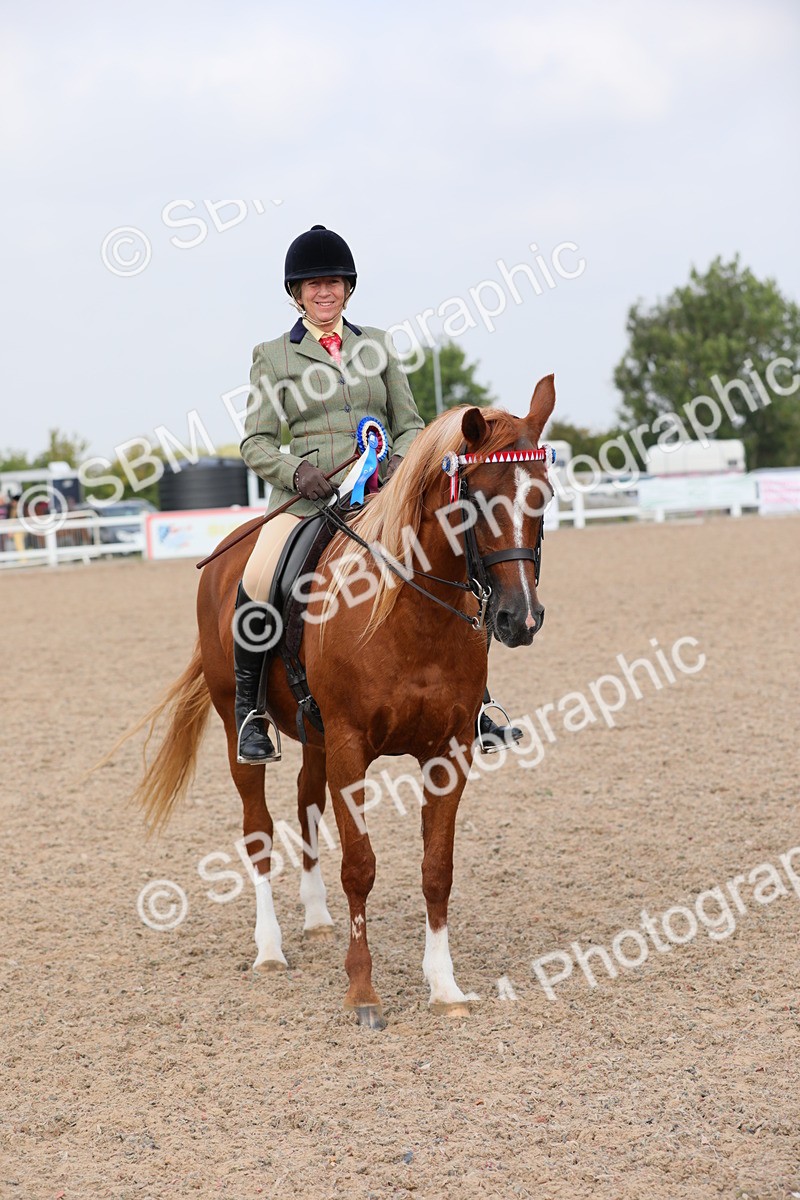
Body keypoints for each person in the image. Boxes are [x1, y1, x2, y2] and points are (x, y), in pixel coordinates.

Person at [236, 224, 521, 764]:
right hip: (308, 501)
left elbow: (411, 423)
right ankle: (251, 712)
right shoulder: (273, 357)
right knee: (259, 574)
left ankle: (478, 701)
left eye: (334, 283)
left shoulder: (377, 346)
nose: (325, 293)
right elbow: (254, 441)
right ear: (297, 293)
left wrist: (398, 464)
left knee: (463, 558)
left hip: (385, 495)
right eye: (314, 285)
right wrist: (297, 472)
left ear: (348, 289)